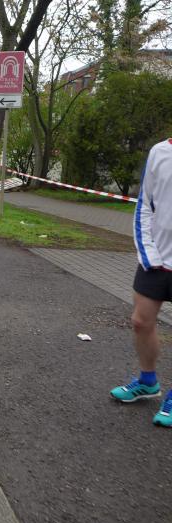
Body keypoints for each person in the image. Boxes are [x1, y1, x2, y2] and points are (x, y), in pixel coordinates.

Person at [110, 138, 172, 427]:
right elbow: (145, 205)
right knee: (140, 321)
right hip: (156, 256)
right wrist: (148, 252)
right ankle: (148, 382)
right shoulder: (160, 152)